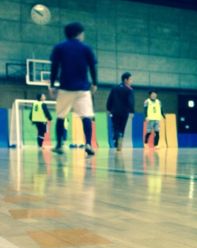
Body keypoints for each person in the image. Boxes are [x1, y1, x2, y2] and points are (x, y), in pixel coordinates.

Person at [49, 22, 97, 156]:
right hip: (83, 89)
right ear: (80, 33)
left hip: (65, 88)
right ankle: (88, 143)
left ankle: (59, 145)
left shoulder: (59, 47)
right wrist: (94, 83)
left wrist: (52, 84)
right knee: (86, 116)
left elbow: (54, 67)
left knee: (61, 116)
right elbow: (92, 67)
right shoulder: (86, 48)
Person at [106, 72, 134, 152]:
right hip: (124, 112)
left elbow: (110, 99)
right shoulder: (129, 90)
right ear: (125, 80)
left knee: (115, 127)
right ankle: (120, 137)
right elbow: (131, 102)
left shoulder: (114, 88)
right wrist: (132, 111)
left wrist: (108, 109)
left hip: (114, 112)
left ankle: (116, 139)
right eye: (130, 79)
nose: (131, 81)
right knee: (122, 127)